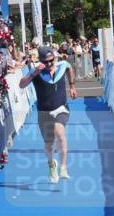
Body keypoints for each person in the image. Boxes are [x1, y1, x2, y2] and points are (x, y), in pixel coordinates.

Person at [20, 45, 77, 184]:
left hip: (61, 108)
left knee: (60, 133)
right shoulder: (36, 72)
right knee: (49, 145)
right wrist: (33, 73)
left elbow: (69, 68)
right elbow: (21, 85)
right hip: (44, 112)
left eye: (51, 60)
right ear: (40, 61)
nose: (49, 64)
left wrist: (72, 85)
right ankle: (52, 164)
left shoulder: (62, 65)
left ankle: (63, 167)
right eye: (45, 62)